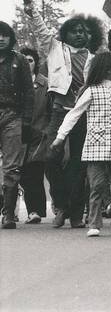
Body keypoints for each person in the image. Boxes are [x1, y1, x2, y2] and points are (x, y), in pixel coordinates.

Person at [19, 0, 103, 229]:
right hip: (58, 112)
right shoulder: (55, 49)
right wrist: (28, 1)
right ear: (66, 34)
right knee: (51, 159)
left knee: (78, 164)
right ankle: (61, 204)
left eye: (84, 32)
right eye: (75, 31)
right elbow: (39, 27)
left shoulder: (95, 58)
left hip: (84, 115)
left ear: (90, 36)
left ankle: (75, 213)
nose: (79, 34)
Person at [50, 53, 111, 237]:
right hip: (95, 145)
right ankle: (94, 224)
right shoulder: (90, 91)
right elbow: (74, 114)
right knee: (97, 185)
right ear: (108, 70)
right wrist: (60, 137)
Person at [0, 22, 34, 229]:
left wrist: (27, 120)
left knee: (11, 168)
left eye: (4, 35)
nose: (1, 39)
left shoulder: (19, 60)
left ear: (10, 38)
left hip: (13, 116)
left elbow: (29, 92)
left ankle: (8, 213)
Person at [20, 47, 51, 224]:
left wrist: (46, 130)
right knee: (21, 172)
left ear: (36, 63)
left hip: (39, 133)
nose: (27, 64)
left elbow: (51, 109)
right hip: (19, 132)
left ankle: (35, 210)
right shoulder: (14, 83)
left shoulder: (45, 83)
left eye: (30, 60)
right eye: (23, 61)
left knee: (35, 171)